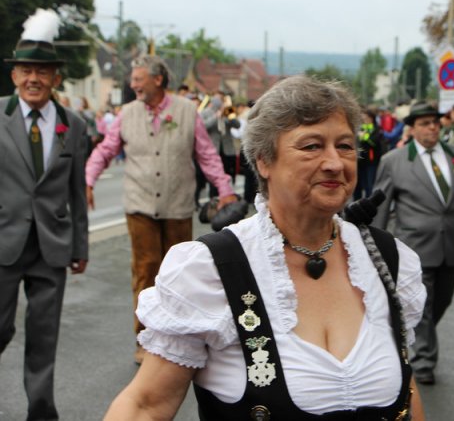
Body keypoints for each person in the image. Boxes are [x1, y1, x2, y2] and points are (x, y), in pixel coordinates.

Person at [103, 75, 427, 420]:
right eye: (312, 146)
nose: (335, 162)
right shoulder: (214, 269)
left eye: (345, 146)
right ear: (264, 161)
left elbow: (406, 394)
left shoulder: (386, 259)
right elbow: (146, 405)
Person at [85, 54, 237, 364]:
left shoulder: (186, 111)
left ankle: (176, 336)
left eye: (138, 79)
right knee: (146, 269)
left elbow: (207, 154)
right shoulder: (127, 113)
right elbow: (105, 150)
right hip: (139, 203)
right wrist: (88, 179)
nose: (133, 85)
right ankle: (144, 338)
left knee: (179, 273)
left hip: (177, 204)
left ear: (158, 80)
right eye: (133, 80)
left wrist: (225, 189)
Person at [372, 102, 454, 385]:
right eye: (424, 123)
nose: (432, 128)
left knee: (442, 302)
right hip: (414, 247)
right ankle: (423, 361)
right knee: (422, 304)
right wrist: (372, 246)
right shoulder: (395, 161)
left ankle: (412, 335)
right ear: (412, 128)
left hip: (451, 245)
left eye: (435, 122)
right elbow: (381, 206)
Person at [0, 10, 88, 420]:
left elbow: (76, 190)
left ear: (55, 78)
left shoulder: (75, 125)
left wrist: (80, 246)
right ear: (14, 75)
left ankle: (40, 411)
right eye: (26, 71)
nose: (33, 79)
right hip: (3, 242)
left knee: (43, 336)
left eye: (42, 71)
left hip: (52, 247)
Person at [354, 108, 386, 200]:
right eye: (362, 117)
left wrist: (364, 136)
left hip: (372, 161)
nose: (363, 118)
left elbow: (375, 141)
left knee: (370, 184)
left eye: (365, 117)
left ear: (371, 117)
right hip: (360, 160)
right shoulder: (360, 128)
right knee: (359, 184)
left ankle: (370, 201)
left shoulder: (376, 128)